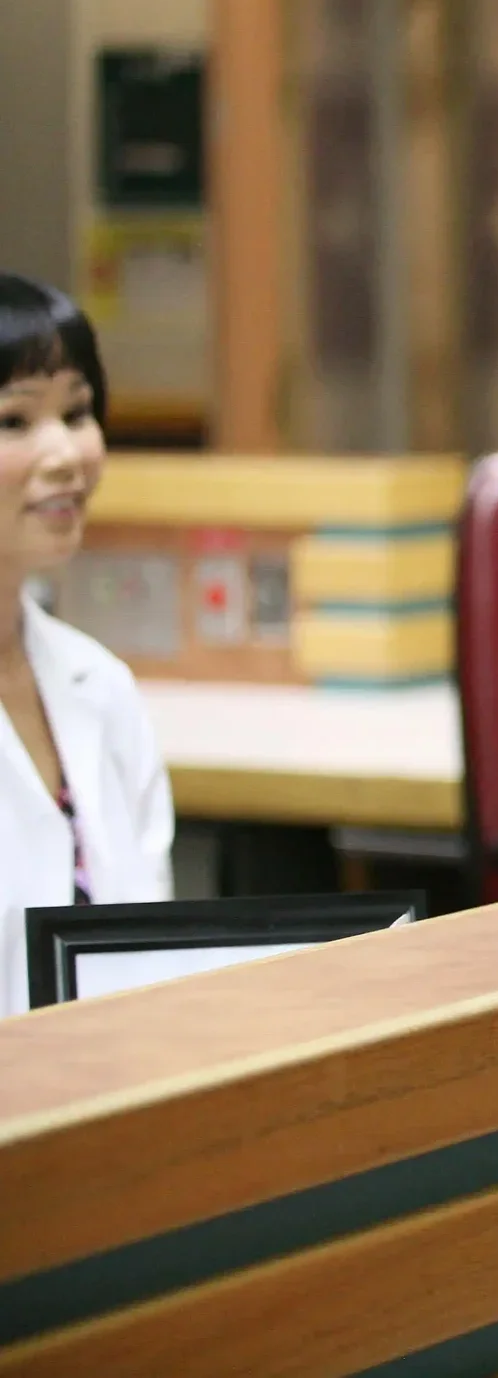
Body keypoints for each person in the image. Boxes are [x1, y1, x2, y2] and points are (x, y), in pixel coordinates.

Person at [0, 276, 173, 1015]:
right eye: (14, 421)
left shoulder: (100, 685)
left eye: (77, 412)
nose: (67, 452)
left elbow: (158, 963)